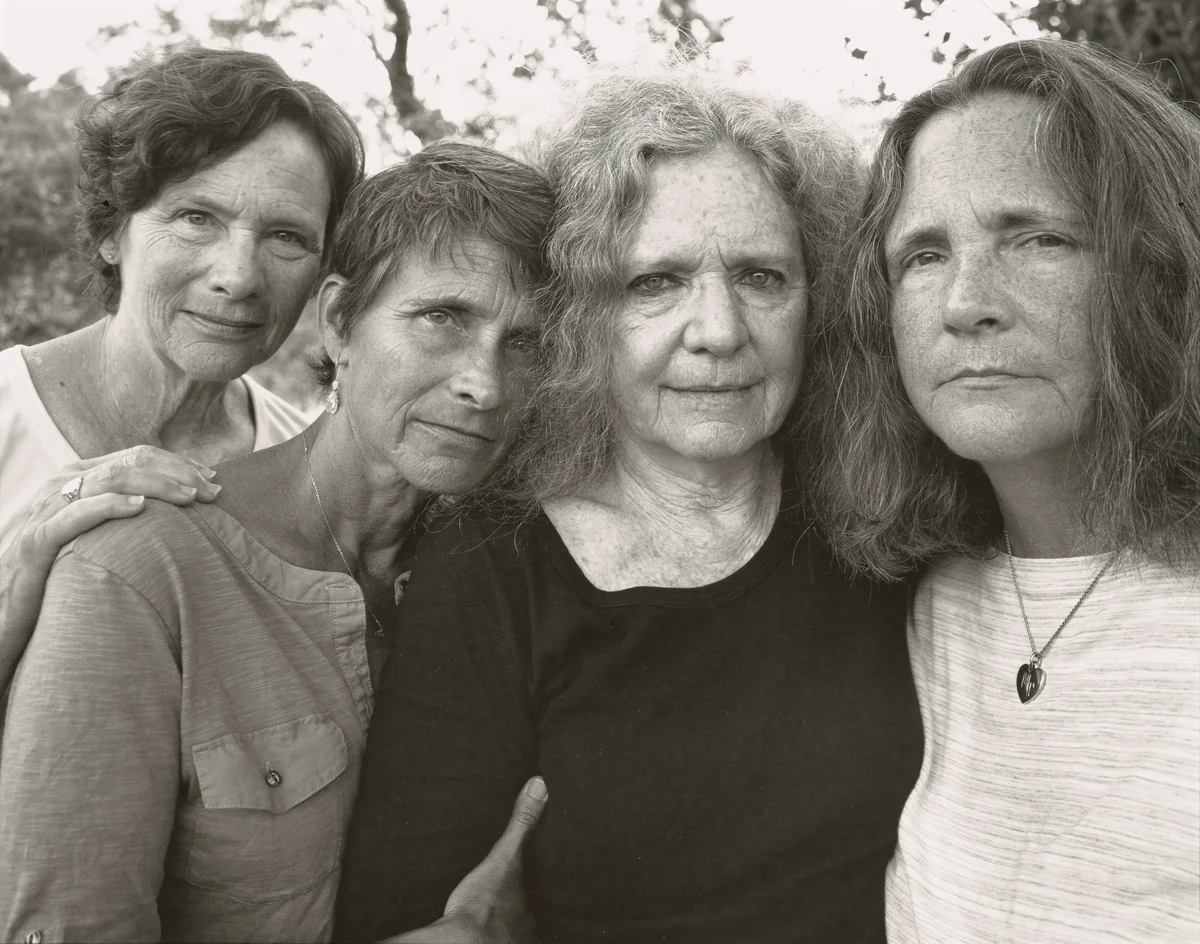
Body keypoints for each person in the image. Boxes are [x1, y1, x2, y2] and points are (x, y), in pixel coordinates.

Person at [335, 67, 923, 944]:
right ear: (578, 315)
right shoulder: (493, 570)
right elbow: (408, 918)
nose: (720, 330)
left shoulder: (880, 524)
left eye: (763, 277)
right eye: (654, 282)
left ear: (819, 298)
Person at [0, 141, 556, 943]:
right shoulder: (137, 570)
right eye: (443, 318)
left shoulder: (504, 569)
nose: (485, 383)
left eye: (527, 343)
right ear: (338, 322)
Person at [804, 39, 1200, 942]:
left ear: (1164, 270)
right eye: (924, 255)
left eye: (1041, 238)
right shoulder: (919, 598)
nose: (966, 301)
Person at [0, 45, 363, 687]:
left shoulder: (299, 467)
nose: (238, 278)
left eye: (287, 236)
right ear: (113, 231)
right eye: (197, 218)